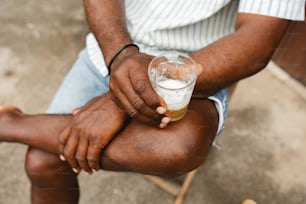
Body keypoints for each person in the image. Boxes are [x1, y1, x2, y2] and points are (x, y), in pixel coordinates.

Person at [0, 0, 305, 203]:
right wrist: (120, 56)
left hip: (197, 67)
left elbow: (256, 42)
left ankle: (13, 125)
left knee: (177, 149)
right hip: (111, 46)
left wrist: (120, 100)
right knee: (43, 162)